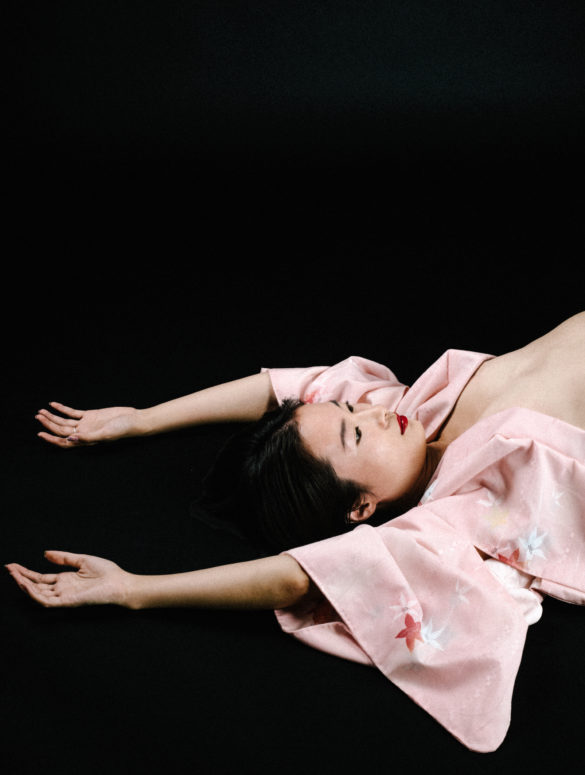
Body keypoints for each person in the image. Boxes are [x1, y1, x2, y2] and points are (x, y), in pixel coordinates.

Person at [6, 311, 585, 753]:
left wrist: (144, 419)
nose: (370, 414)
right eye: (355, 434)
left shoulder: (413, 410)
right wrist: (136, 589)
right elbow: (298, 576)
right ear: (361, 507)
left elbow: (289, 389)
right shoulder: (452, 518)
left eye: (351, 413)